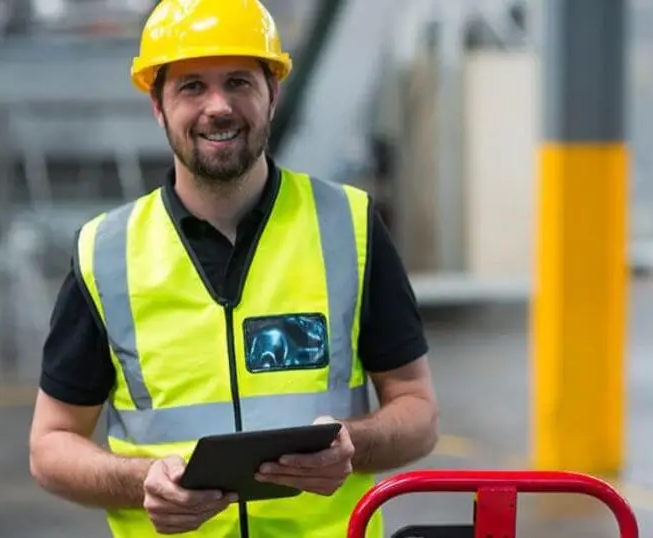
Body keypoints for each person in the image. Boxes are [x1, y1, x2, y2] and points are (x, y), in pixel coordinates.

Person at [26, 1, 440, 537]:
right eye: (192, 86)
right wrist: (143, 479)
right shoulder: (105, 252)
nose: (218, 107)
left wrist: (351, 443)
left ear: (273, 95)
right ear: (158, 104)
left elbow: (418, 412)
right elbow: (51, 445)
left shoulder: (349, 227)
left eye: (240, 82)